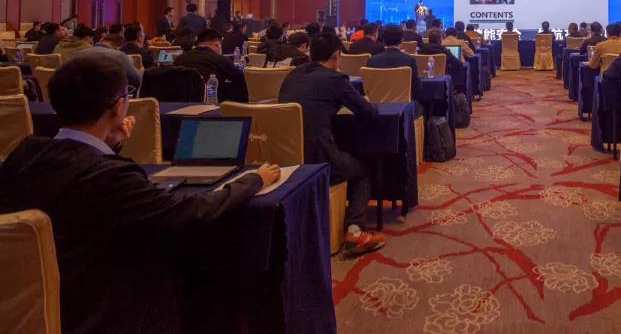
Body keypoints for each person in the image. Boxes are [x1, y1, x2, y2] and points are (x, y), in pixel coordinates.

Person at [0, 56, 280, 333]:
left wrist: (111, 142)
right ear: (118, 107)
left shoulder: (24, 154)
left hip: (29, 311)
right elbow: (190, 213)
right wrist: (253, 180)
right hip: (103, 314)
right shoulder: (110, 178)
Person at [278, 33, 387, 256]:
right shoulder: (335, 79)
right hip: (318, 160)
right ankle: (355, 230)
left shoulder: (292, 75)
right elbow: (368, 113)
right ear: (337, 55)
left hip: (285, 160)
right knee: (364, 168)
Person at [175, 29, 248, 101]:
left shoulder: (180, 58)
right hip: (210, 103)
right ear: (217, 44)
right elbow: (242, 79)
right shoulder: (219, 59)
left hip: (179, 103)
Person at [367, 25, 422, 100]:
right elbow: (417, 89)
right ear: (402, 40)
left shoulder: (372, 61)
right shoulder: (409, 60)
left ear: (384, 40)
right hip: (404, 104)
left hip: (377, 104)